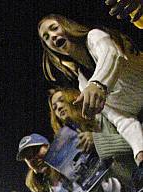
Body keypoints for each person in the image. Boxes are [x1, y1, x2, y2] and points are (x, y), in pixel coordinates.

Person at [38, 14, 143, 174]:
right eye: (46, 37)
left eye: (54, 28)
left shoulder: (95, 36)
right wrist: (139, 151)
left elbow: (111, 55)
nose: (53, 36)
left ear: (67, 26)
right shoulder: (83, 84)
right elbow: (122, 119)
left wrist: (98, 84)